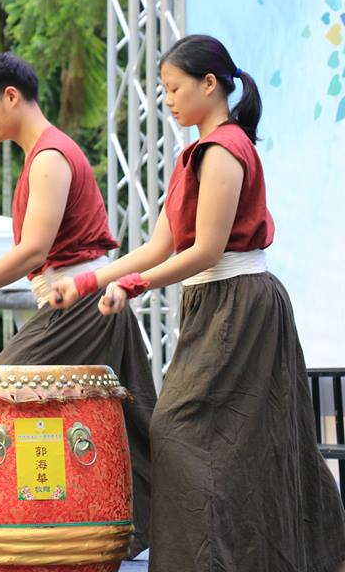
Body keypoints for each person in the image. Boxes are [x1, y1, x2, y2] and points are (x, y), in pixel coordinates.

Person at [51, 34, 345, 571]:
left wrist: (135, 286)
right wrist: (90, 282)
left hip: (239, 307)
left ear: (210, 84)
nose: (167, 99)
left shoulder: (225, 150)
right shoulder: (196, 154)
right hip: (214, 307)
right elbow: (159, 246)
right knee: (226, 443)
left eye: (174, 88)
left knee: (183, 433)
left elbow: (206, 250)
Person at [0, 52, 155, 556]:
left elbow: (34, 252)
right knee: (129, 433)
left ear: (11, 97)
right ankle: (78, 537)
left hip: (81, 307)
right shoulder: (43, 155)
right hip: (81, 303)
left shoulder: (49, 157)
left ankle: (22, 538)